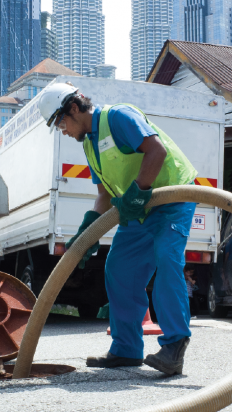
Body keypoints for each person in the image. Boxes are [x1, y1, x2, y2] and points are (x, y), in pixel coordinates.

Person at [38, 83, 198, 376]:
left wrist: (137, 193)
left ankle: (174, 346)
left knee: (166, 259)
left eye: (60, 121)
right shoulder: (89, 144)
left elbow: (156, 151)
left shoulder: (119, 117)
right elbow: (104, 195)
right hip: (138, 207)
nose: (61, 129)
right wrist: (87, 232)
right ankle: (126, 349)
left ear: (74, 108)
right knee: (119, 269)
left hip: (172, 198)